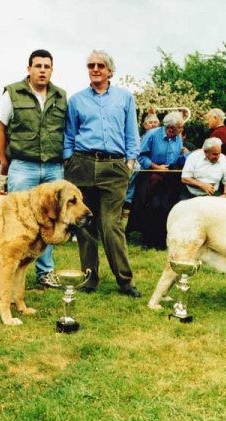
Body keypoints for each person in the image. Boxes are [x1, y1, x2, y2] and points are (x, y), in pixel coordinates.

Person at [64, 49, 141, 297]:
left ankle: (125, 281)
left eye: (100, 65)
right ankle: (89, 278)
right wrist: (69, 161)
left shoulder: (124, 98)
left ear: (109, 70)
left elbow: (132, 133)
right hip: (82, 164)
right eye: (91, 65)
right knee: (85, 225)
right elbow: (69, 134)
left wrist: (129, 162)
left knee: (111, 225)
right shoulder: (76, 100)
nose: (95, 69)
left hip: (114, 167)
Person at [0, 49, 67, 289]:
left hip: (53, 168)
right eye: (38, 66)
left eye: (47, 66)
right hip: (23, 165)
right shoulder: (12, 92)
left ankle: (45, 273)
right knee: (18, 219)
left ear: (52, 70)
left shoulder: (61, 95)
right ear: (29, 69)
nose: (42, 70)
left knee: (51, 220)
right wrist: (5, 161)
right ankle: (13, 268)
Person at [127, 111, 188, 250]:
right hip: (151, 175)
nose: (182, 130)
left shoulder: (178, 137)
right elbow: (141, 156)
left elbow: (176, 154)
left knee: (166, 207)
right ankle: (147, 240)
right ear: (170, 127)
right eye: (180, 127)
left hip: (169, 176)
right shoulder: (152, 135)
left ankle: (161, 240)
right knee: (149, 207)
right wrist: (156, 167)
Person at [123, 114, 161, 215]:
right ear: (145, 126)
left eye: (156, 122)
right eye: (151, 122)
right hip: (139, 167)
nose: (153, 125)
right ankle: (127, 199)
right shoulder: (138, 139)